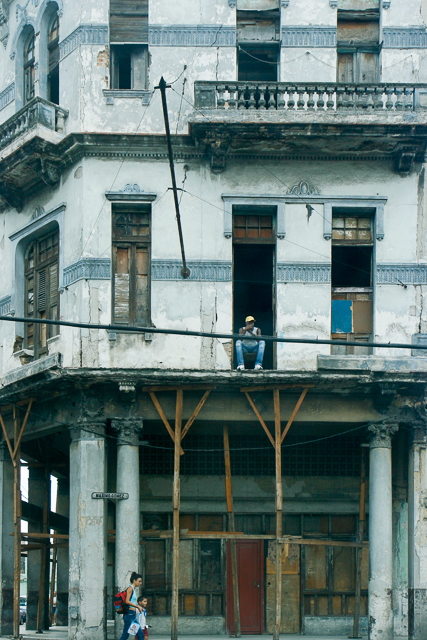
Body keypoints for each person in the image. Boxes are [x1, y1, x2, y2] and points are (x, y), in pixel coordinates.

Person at [118, 572, 143, 640]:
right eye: (139, 581)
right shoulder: (130, 588)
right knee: (138, 633)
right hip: (129, 614)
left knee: (127, 635)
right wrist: (137, 607)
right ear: (134, 580)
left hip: (132, 614)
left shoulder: (133, 589)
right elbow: (127, 601)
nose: (140, 583)